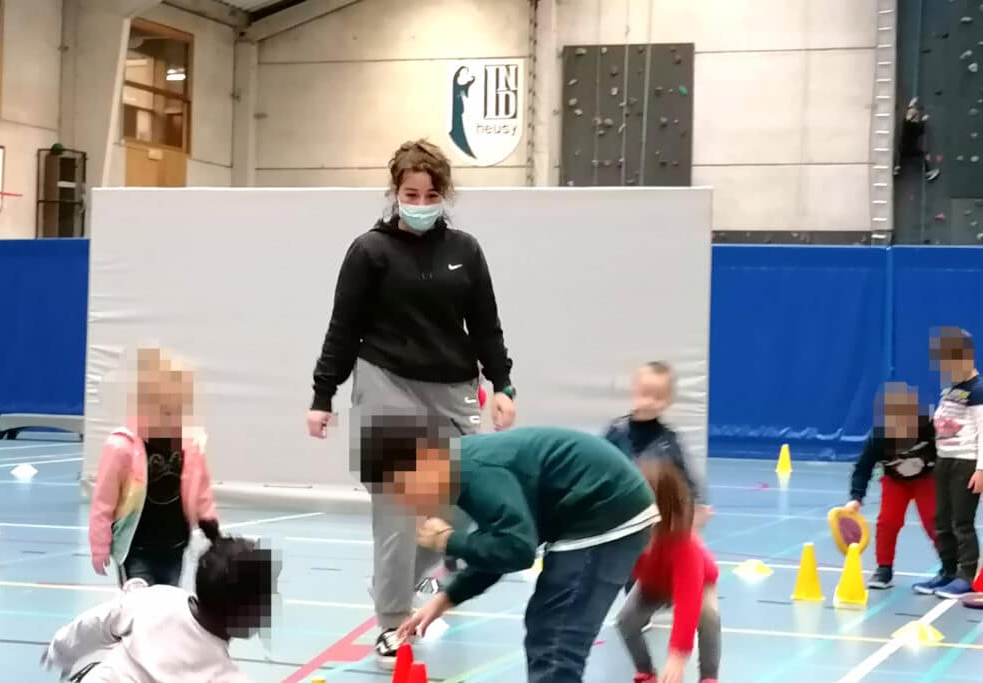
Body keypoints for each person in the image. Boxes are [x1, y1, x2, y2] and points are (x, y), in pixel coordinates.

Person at [306, 139, 517, 667]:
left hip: (453, 388)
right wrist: (322, 395)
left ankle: (398, 579)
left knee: (465, 507)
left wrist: (503, 384)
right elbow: (343, 328)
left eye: (431, 195)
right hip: (386, 383)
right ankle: (392, 621)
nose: (421, 204)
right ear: (395, 193)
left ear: (445, 196)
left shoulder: (466, 250)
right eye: (411, 194)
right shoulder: (370, 251)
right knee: (398, 512)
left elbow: (485, 324)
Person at [357, 414, 659, 683]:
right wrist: (447, 598)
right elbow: (504, 543)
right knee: (547, 627)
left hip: (607, 513)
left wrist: (449, 540)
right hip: (599, 511)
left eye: (404, 491)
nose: (409, 504)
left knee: (556, 635)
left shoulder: (473, 471)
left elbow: (518, 549)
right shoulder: (460, 465)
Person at [41, 524, 279, 682]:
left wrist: (61, 650)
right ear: (250, 615)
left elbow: (97, 622)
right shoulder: (226, 677)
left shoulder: (159, 598)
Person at [89, 347, 218, 588]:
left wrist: (212, 530)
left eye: (178, 411)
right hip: (136, 549)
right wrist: (99, 546)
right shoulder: (122, 447)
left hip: (175, 548)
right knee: (139, 604)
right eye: (166, 411)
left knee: (167, 602)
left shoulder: (190, 447)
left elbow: (201, 493)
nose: (173, 419)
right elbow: (103, 501)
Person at [616, 460, 720, 683]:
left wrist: (677, 656)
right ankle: (645, 671)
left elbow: (687, 604)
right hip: (655, 582)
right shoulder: (631, 536)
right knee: (626, 620)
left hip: (698, 582)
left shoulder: (684, 546)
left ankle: (709, 676)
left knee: (708, 618)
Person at [845, 382, 938, 590]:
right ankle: (884, 569)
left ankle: (951, 567)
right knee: (887, 522)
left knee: (934, 521)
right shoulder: (879, 437)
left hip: (926, 479)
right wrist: (856, 497)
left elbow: (947, 456)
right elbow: (863, 468)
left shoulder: (930, 428)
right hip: (895, 482)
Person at [914, 328, 983, 598]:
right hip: (944, 461)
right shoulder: (950, 389)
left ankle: (965, 575)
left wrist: (981, 469)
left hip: (965, 463)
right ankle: (948, 571)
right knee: (941, 520)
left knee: (961, 522)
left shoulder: (978, 390)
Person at [603, 362, 712, 528]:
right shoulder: (617, 431)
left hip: (654, 518)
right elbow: (599, 467)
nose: (650, 402)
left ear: (669, 400)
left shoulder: (668, 440)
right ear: (634, 392)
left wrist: (698, 503)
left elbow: (685, 477)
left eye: (658, 397)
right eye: (645, 394)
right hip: (620, 514)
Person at [894, 97, 940, 182]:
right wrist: (924, 120)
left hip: (903, 148)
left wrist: (911, 105)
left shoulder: (906, 123)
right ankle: (928, 173)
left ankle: (897, 168)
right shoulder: (915, 126)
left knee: (902, 157)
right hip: (910, 149)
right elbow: (921, 129)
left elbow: (910, 115)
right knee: (922, 155)